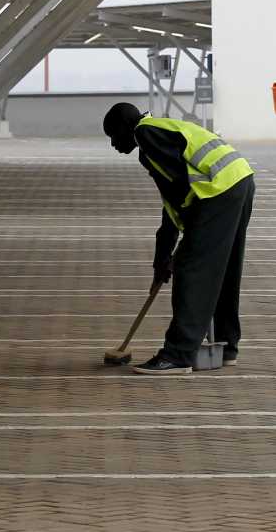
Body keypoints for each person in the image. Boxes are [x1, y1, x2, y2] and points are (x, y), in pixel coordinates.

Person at [102, 102, 255, 375]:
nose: (113, 144)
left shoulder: (146, 135)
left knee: (191, 268)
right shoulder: (162, 130)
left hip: (217, 191)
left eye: (113, 136)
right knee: (224, 268)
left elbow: (180, 186)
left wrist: (181, 248)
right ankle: (225, 346)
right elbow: (171, 205)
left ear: (126, 127)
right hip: (238, 179)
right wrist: (162, 258)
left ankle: (178, 354)